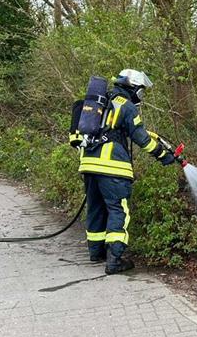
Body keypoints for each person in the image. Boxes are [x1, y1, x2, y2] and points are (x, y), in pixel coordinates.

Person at [75, 69, 177, 274]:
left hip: (88, 163)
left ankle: (96, 252)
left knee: (95, 207)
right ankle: (114, 260)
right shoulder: (127, 106)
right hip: (112, 167)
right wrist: (163, 155)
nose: (142, 95)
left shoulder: (101, 101)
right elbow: (141, 137)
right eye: (141, 90)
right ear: (134, 88)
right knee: (118, 209)